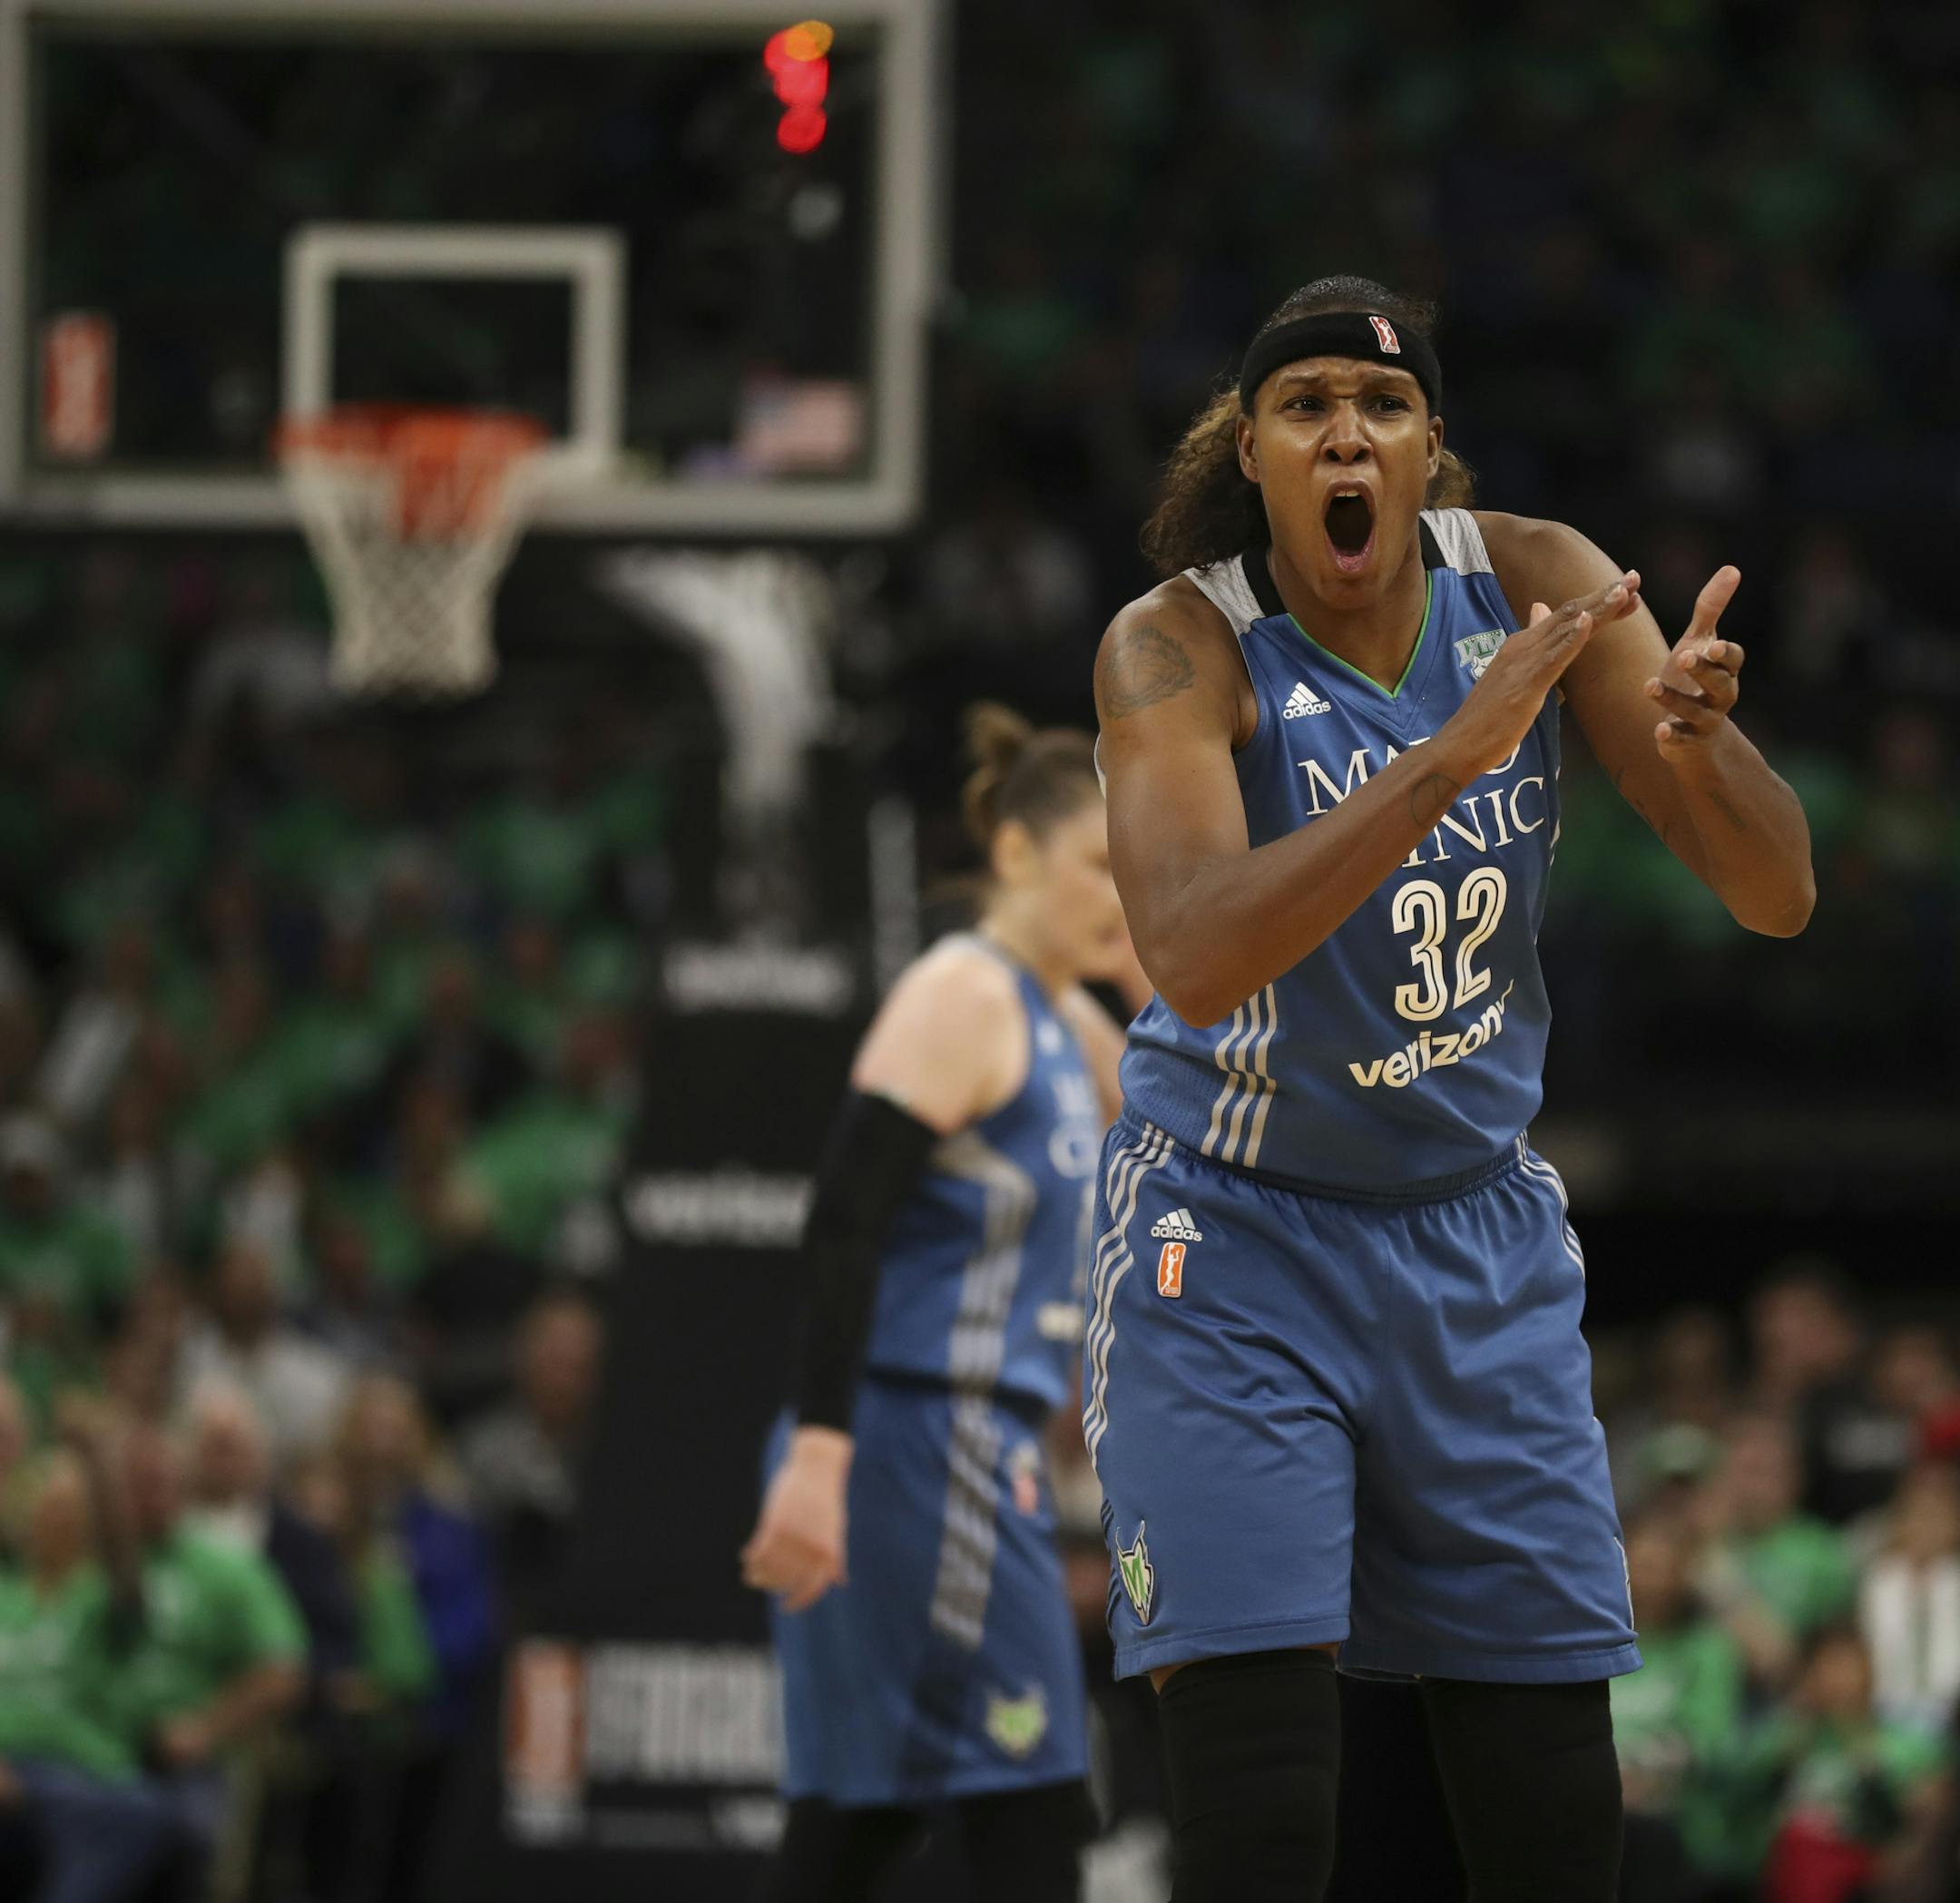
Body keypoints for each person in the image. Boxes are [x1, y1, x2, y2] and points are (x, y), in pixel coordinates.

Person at [1088, 276, 1815, 1902]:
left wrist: (1705, 749)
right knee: (1269, 1817)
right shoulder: (1175, 645)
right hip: (1235, 1233)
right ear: (1256, 454)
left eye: (1385, 404)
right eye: (1306, 405)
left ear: (1429, 454)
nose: (1348, 430)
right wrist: (1448, 758)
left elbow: (1776, 894)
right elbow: (1195, 954)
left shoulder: (1545, 584)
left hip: (1470, 1235)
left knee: (1558, 1820)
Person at [740, 704, 1132, 1903]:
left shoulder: (1068, 1020)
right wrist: (819, 1450)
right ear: (1016, 855)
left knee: (872, 1805)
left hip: (974, 1438)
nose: (1125, 890)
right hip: (910, 1434)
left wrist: (1133, 953)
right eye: (1103, 865)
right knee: (1027, 1798)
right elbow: (844, 1217)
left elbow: (1197, 1125)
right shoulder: (963, 991)